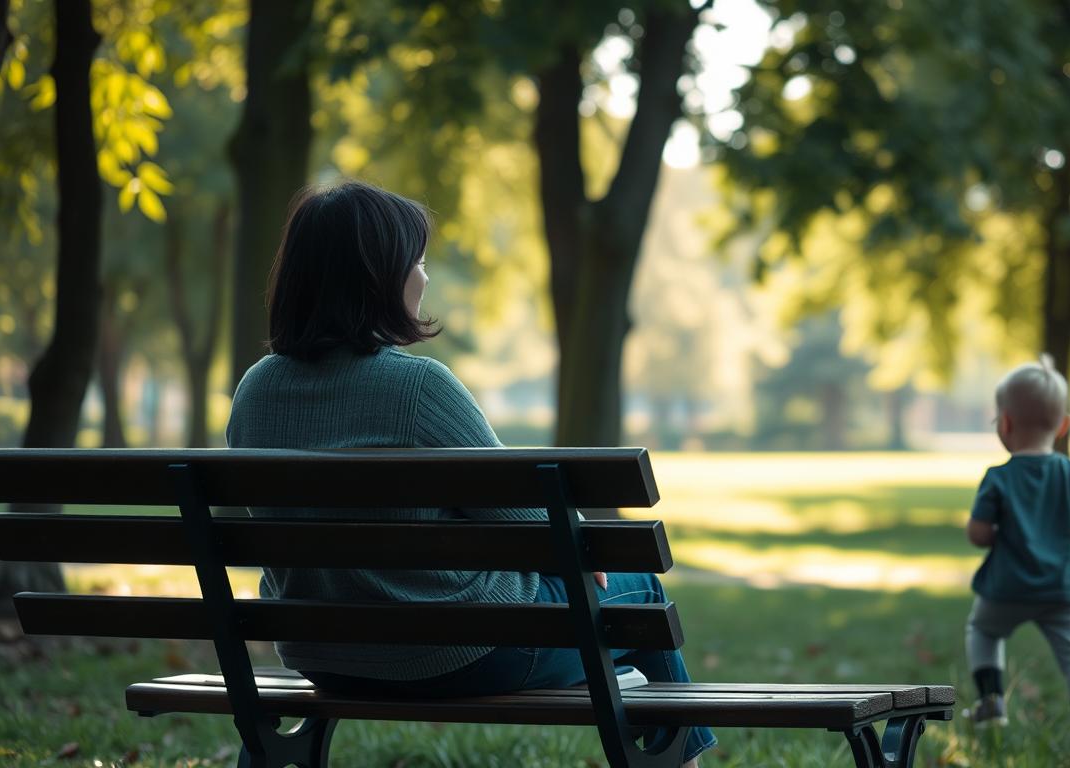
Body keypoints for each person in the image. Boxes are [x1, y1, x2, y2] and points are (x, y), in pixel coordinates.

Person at [226, 180, 715, 766]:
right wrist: (586, 542)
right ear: (379, 276)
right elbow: (538, 523)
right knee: (641, 595)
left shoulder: (255, 390)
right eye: (417, 261)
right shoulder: (417, 389)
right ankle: (682, 759)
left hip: (323, 656)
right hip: (458, 655)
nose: (424, 276)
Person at [963, 355, 1070, 768]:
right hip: (1064, 590)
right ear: (1063, 425)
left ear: (1005, 424)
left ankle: (992, 698)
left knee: (982, 629)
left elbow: (977, 533)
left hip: (1005, 588)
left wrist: (990, 535)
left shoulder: (998, 477)